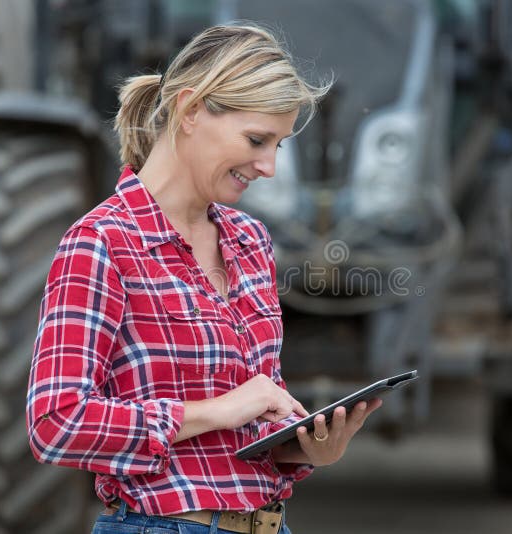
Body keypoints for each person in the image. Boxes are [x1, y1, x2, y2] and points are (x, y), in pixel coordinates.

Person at [26, 22, 382, 534]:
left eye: (279, 145)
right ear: (191, 110)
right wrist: (217, 411)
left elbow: (243, 426)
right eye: (257, 140)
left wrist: (305, 449)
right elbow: (55, 423)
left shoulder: (250, 241)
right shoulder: (103, 242)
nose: (269, 167)